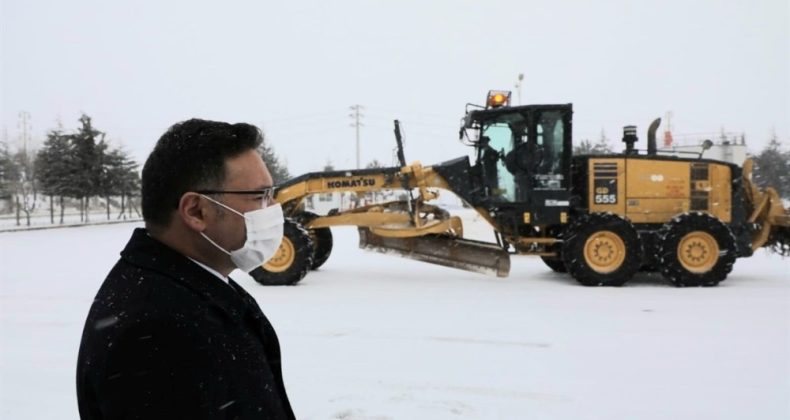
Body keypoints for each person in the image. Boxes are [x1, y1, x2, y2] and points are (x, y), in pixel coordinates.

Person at [76, 119, 296, 419]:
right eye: (258, 197)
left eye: (271, 195)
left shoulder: (194, 284)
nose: (271, 210)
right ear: (195, 210)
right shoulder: (156, 333)